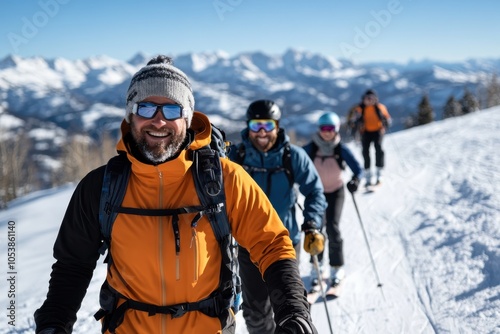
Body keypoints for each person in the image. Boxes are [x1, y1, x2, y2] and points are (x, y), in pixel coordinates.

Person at [34, 56, 319, 334]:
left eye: (172, 110)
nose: (158, 122)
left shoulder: (224, 178)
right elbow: (73, 265)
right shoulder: (101, 186)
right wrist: (54, 323)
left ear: (188, 118)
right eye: (146, 108)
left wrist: (293, 312)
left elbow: (271, 245)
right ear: (130, 114)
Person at [227, 100, 327, 334]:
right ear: (247, 127)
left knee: (290, 307)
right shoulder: (236, 157)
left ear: (277, 127)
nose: (262, 132)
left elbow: (314, 191)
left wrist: (312, 222)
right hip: (248, 246)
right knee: (256, 311)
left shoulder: (293, 156)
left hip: (285, 243)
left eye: (267, 126)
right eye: (255, 126)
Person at [303, 112, 363, 290]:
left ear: (336, 129)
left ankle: (337, 268)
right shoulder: (311, 148)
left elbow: (357, 168)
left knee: (333, 229)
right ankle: (317, 268)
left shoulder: (340, 149)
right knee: (315, 230)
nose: (326, 132)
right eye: (323, 128)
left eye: (330, 128)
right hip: (316, 194)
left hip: (336, 192)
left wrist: (355, 180)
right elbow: (296, 164)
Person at [354, 89, 391, 186]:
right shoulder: (360, 109)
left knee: (378, 150)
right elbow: (355, 120)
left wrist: (386, 124)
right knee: (365, 152)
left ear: (375, 99)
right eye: (367, 98)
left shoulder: (380, 107)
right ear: (364, 99)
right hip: (365, 132)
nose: (369, 100)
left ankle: (379, 173)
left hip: (378, 131)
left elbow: (387, 118)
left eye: (371, 98)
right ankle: (368, 175)